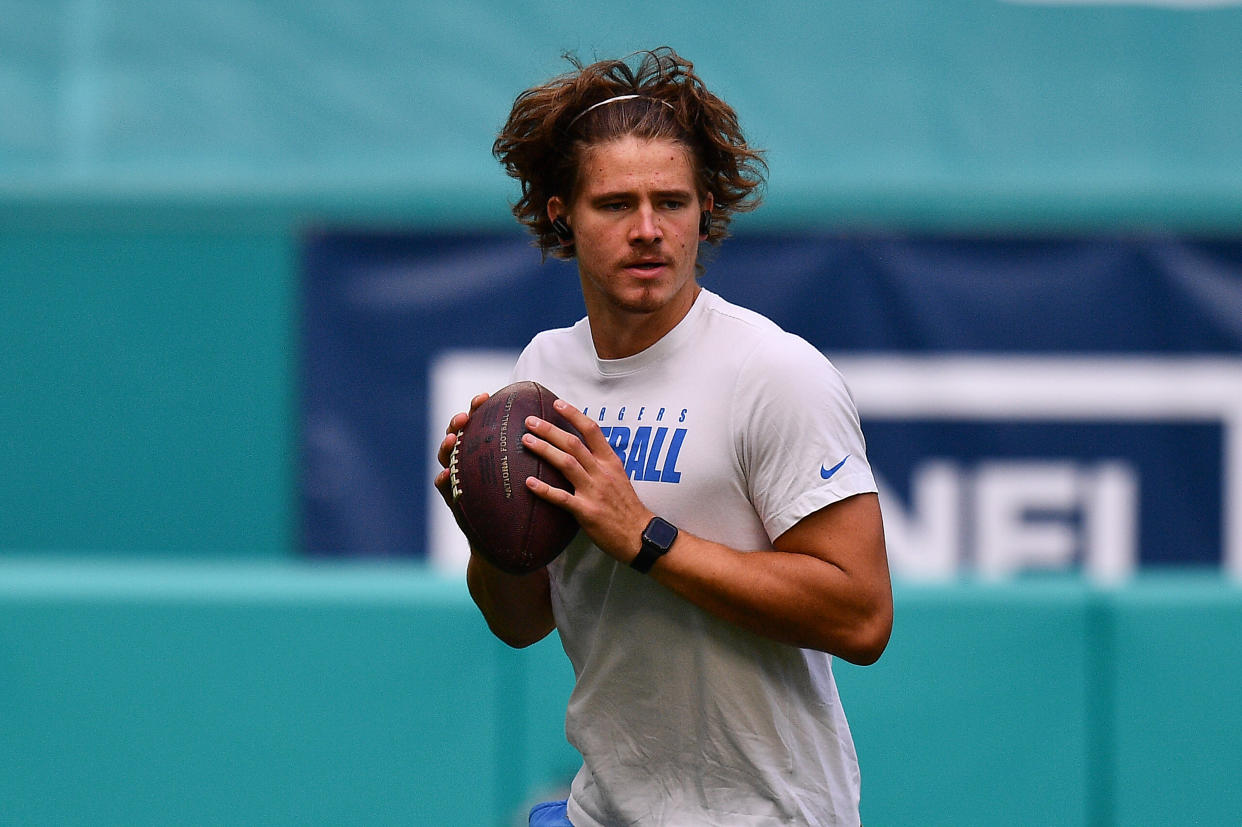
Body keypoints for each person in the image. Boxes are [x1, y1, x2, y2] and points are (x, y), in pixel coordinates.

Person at [434, 47, 893, 827]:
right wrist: (485, 525)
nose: (648, 231)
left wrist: (645, 535)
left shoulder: (773, 372)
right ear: (561, 214)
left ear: (705, 209)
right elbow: (522, 621)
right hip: (605, 809)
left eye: (672, 203)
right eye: (615, 205)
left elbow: (861, 617)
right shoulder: (544, 372)